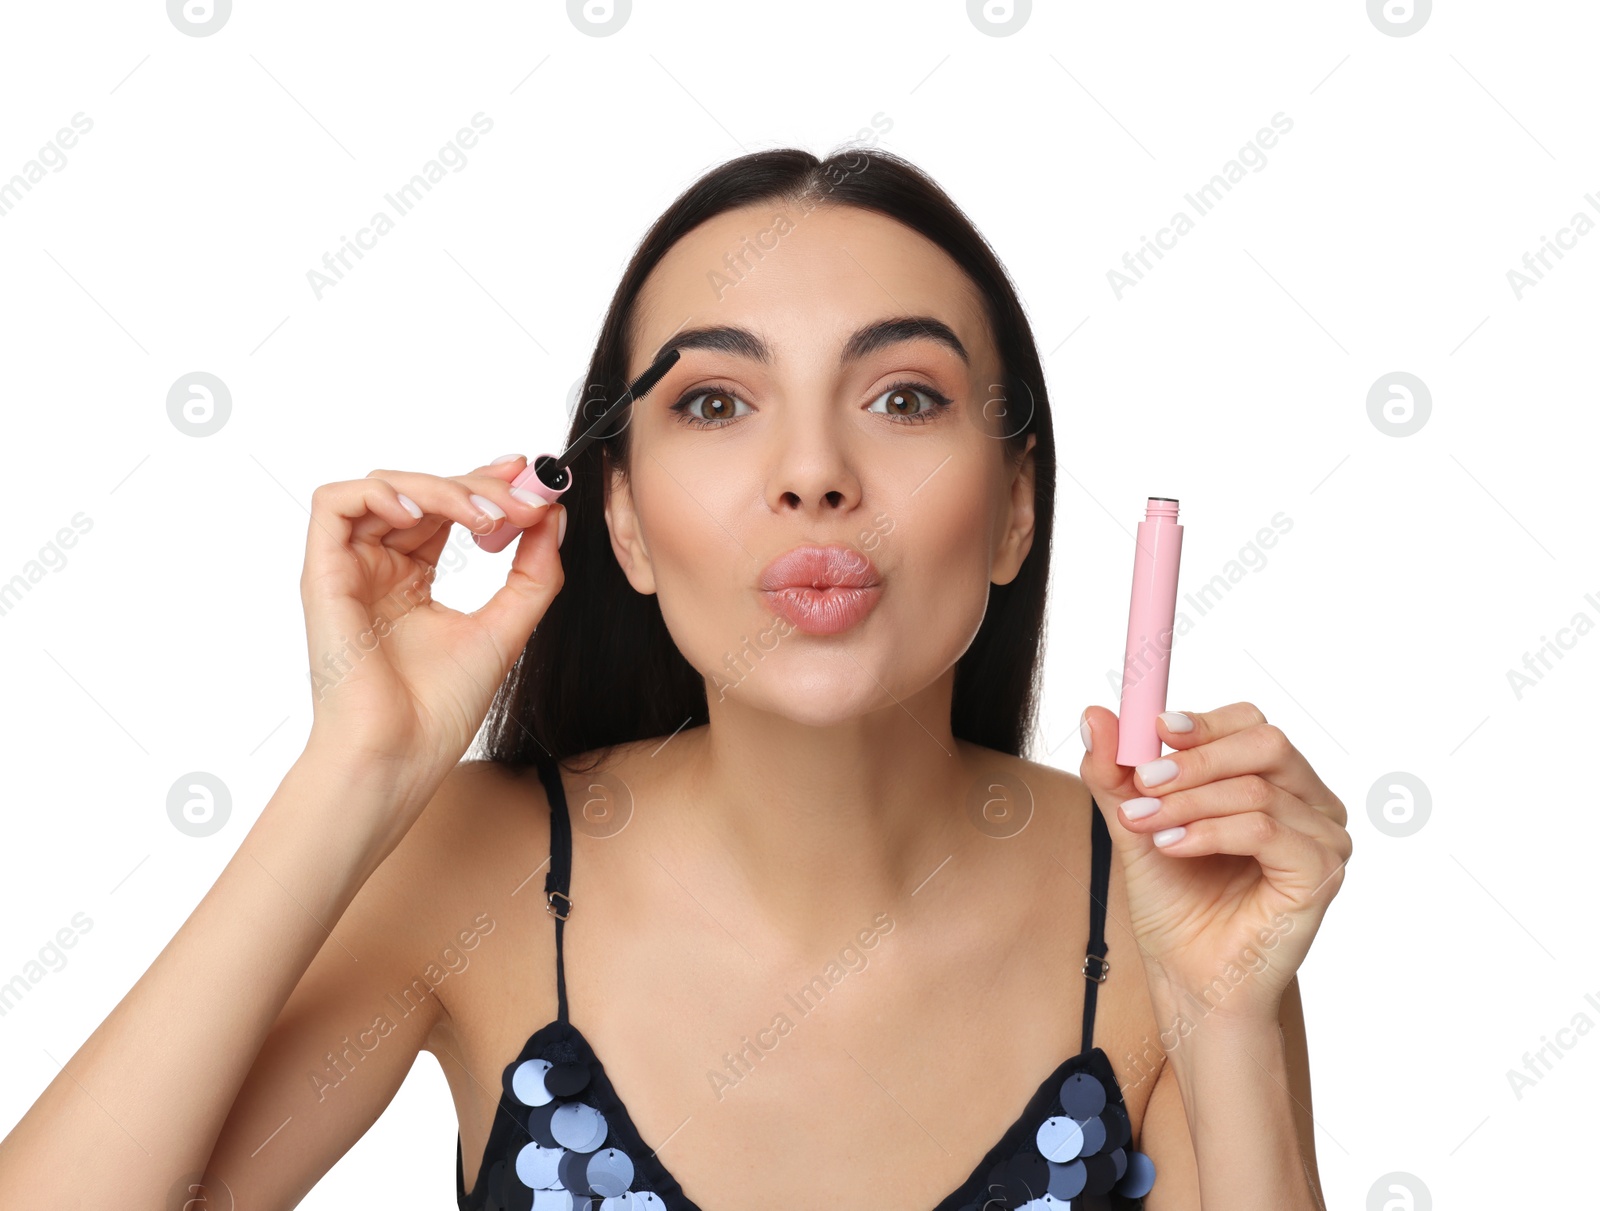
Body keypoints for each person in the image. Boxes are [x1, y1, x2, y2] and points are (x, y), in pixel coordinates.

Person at [0, 147, 1349, 1210]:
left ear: (1013, 513)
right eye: (714, 402)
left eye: (903, 398)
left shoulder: (1164, 906)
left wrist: (1227, 1014)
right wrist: (359, 764)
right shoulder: (480, 869)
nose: (814, 473)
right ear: (625, 525)